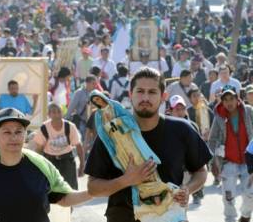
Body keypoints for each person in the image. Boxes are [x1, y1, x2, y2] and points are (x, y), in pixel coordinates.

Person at [85, 67, 211, 222]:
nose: (145, 97)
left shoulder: (182, 129)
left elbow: (200, 170)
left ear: (163, 96)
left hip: (170, 216)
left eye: (152, 92)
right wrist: (127, 180)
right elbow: (92, 188)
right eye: (140, 91)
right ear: (131, 94)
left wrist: (187, 189)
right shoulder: (113, 133)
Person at [0, 107, 92, 222]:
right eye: (7, 132)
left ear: (25, 135)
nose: (13, 137)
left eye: (19, 131)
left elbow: (64, 197)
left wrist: (93, 192)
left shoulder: (41, 165)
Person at [208, 85, 253, 222]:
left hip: (248, 161)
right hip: (228, 162)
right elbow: (212, 139)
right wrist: (213, 162)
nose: (229, 102)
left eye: (231, 98)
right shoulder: (219, 116)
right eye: (225, 99)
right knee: (228, 196)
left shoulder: (249, 111)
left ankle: (245, 215)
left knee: (250, 193)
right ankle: (230, 218)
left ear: (237, 98)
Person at [32, 103, 85, 190]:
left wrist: (82, 166)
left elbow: (79, 147)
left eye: (59, 112)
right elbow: (39, 150)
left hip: (67, 160)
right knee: (50, 190)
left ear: (63, 113)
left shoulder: (70, 127)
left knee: (70, 190)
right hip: (50, 161)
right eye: (53, 112)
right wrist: (37, 167)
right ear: (49, 114)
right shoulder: (44, 128)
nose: (57, 114)